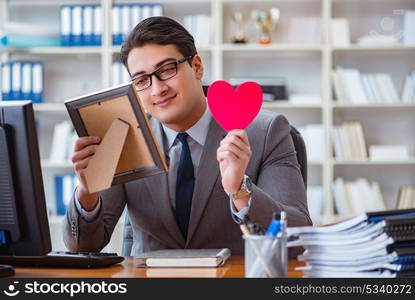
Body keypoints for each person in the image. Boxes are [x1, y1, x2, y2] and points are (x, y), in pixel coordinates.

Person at [63, 16, 311, 256]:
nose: (158, 89)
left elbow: (298, 240)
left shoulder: (266, 132)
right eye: (142, 80)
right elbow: (83, 247)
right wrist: (87, 191)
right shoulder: (124, 139)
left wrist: (241, 191)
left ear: (197, 66)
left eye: (168, 69)